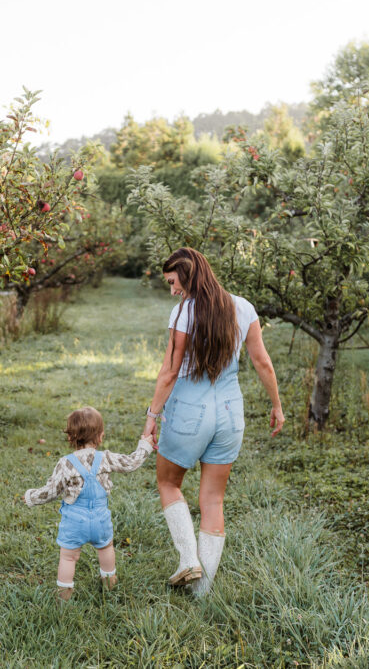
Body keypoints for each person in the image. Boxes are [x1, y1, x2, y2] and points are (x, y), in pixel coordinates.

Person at [143, 247, 284, 596]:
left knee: (168, 483)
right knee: (213, 500)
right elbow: (262, 362)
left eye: (174, 282)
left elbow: (170, 372)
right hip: (230, 413)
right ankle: (202, 593)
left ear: (188, 277)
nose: (173, 290)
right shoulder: (243, 306)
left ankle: (189, 559)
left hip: (191, 411)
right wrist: (277, 406)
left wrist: (151, 418)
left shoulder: (184, 313)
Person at [24, 406, 154, 600]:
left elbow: (51, 491)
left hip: (74, 522)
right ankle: (110, 586)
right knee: (106, 548)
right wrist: (144, 445)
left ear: (70, 438)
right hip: (100, 519)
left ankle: (64, 597)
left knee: (68, 557)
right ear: (100, 436)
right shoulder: (106, 458)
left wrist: (31, 497)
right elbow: (131, 463)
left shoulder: (65, 463)